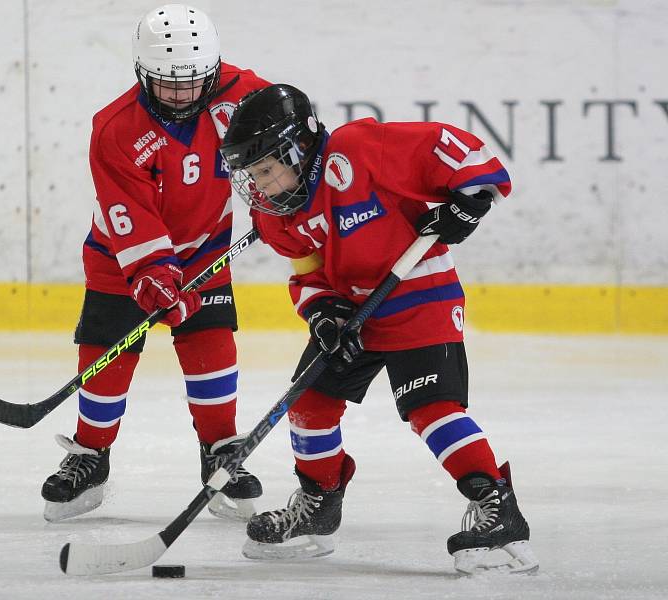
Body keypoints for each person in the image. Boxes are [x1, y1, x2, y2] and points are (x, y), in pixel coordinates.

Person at [219, 84, 538, 574]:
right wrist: (323, 310)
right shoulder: (275, 211)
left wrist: (468, 200)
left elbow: (463, 152)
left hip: (418, 296)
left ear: (297, 148)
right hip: (353, 313)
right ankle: (319, 503)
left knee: (431, 409)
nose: (259, 186)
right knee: (309, 403)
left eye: (265, 171)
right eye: (252, 176)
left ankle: (497, 507)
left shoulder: (360, 150)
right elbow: (307, 273)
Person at [40, 4, 271, 524]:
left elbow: (288, 141)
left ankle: (221, 453)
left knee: (210, 341)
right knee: (107, 354)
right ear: (143, 72)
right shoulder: (116, 128)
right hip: (122, 259)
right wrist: (153, 275)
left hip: (207, 250)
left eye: (192, 81)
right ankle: (90, 455)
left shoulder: (246, 96)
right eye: (166, 83)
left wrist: (285, 202)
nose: (180, 94)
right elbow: (132, 214)